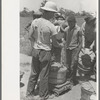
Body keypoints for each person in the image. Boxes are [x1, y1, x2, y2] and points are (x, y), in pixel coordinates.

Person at [25, 1, 62, 100]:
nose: (53, 15)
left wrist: (34, 47)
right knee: (44, 75)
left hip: (36, 50)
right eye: (53, 13)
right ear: (49, 12)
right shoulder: (51, 26)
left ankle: (29, 94)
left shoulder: (35, 22)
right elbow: (54, 43)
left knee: (34, 73)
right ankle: (44, 96)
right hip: (45, 52)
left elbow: (30, 37)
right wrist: (60, 45)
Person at [64, 15, 82, 85]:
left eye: (71, 22)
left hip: (74, 49)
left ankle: (72, 80)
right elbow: (64, 39)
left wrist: (77, 53)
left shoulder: (78, 29)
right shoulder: (66, 29)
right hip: (68, 49)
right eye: (68, 22)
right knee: (67, 65)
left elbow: (80, 43)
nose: (69, 24)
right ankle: (68, 78)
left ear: (74, 22)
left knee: (73, 65)